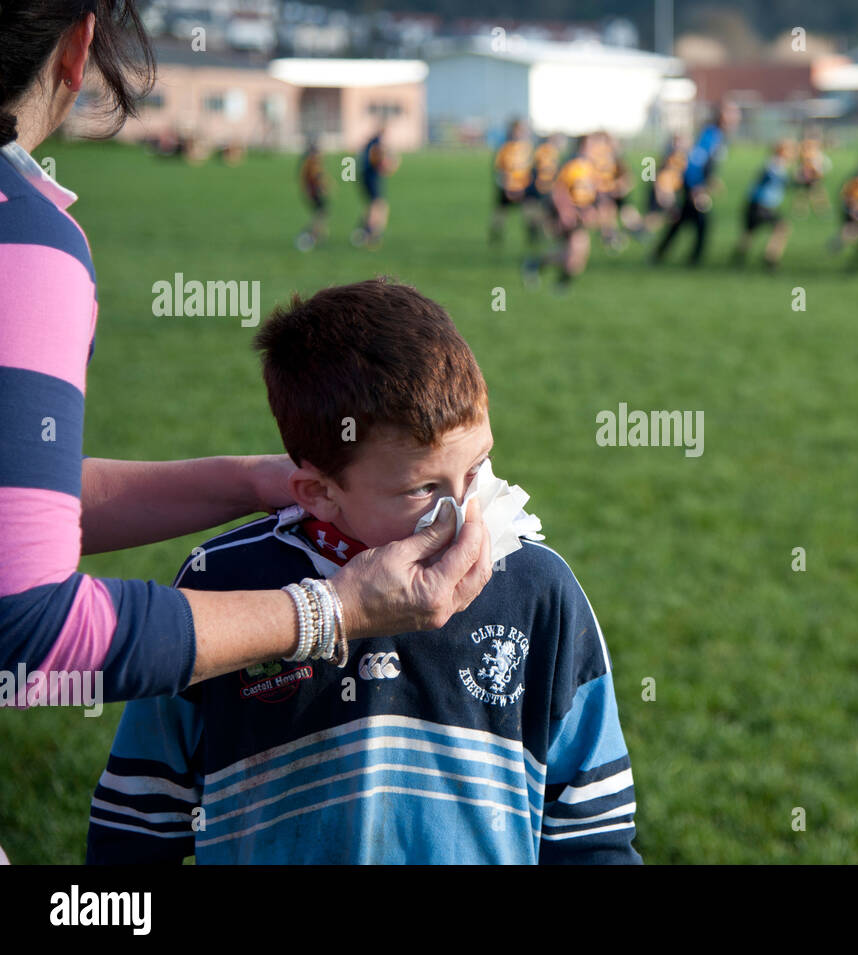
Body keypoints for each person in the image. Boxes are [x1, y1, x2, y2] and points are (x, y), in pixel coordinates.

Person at [0, 0, 491, 796]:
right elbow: (28, 629)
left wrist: (254, 479)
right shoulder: (18, 233)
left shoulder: (539, 588)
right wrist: (329, 611)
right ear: (77, 47)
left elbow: (18, 509)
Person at [86, 279, 640, 865]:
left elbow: (591, 836)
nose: (461, 511)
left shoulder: (539, 590)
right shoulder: (220, 585)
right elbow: (138, 828)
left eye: (477, 467)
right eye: (423, 487)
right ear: (320, 494)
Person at [652, 99, 740, 266]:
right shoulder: (711, 135)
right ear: (722, 116)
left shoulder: (718, 135)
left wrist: (711, 180)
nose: (737, 117)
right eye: (733, 113)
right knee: (702, 222)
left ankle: (659, 255)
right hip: (693, 185)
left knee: (683, 219)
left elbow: (708, 163)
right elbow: (694, 162)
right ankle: (693, 261)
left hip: (696, 185)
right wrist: (696, 188)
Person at [522, 134, 600, 290]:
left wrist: (591, 209)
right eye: (592, 145)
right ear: (583, 146)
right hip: (566, 212)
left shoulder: (590, 165)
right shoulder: (573, 164)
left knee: (576, 255)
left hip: (580, 212)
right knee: (576, 251)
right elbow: (559, 190)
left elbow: (592, 191)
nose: (596, 149)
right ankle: (561, 285)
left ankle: (537, 265)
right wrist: (566, 212)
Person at [732, 139, 794, 270]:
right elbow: (779, 179)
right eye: (790, 150)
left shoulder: (776, 164)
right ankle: (770, 259)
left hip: (755, 203)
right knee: (782, 228)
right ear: (782, 151)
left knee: (749, 232)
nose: (793, 153)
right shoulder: (774, 164)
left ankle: (737, 258)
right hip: (761, 205)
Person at [352, 124, 398, 249]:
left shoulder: (371, 143)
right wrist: (393, 163)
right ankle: (371, 235)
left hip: (366, 177)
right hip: (371, 177)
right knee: (379, 207)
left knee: (374, 206)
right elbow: (383, 165)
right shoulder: (377, 145)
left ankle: (362, 233)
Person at [489, 118, 532, 248]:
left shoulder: (526, 148)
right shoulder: (504, 148)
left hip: (523, 186)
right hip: (507, 187)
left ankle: (532, 236)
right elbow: (499, 170)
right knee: (501, 212)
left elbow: (530, 168)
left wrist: (528, 186)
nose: (520, 133)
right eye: (517, 130)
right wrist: (505, 186)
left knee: (530, 211)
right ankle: (495, 235)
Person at [294, 138, 328, 252]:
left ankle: (318, 236)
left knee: (321, 214)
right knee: (320, 214)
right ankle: (310, 236)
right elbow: (316, 178)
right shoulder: (312, 162)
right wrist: (322, 186)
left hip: (311, 192)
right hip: (314, 193)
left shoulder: (308, 161)